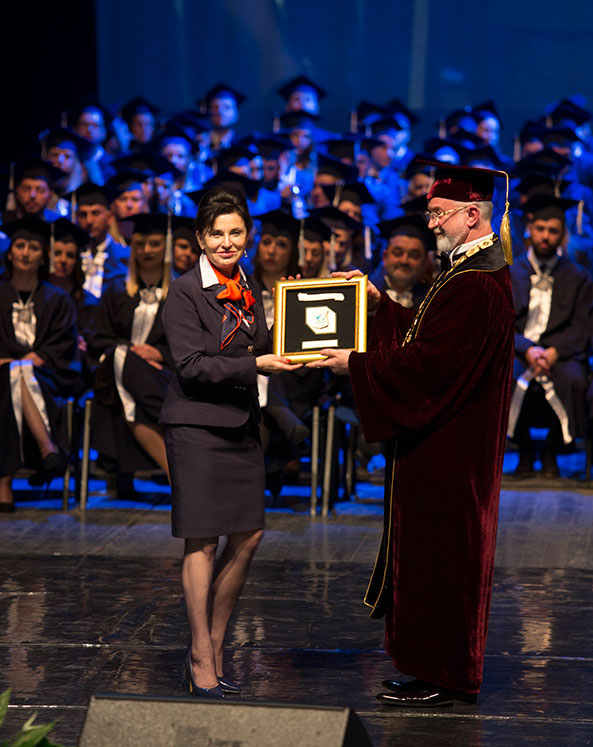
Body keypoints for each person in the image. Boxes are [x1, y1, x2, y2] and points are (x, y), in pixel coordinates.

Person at [308, 163, 515, 706]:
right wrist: (380, 304)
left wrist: (355, 363)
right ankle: (429, 667)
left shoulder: (477, 284)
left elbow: (429, 367)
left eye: (439, 214)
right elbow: (425, 340)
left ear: (473, 216)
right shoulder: (466, 274)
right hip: (443, 448)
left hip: (453, 453)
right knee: (429, 557)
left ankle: (447, 673)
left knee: (446, 560)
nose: (431, 225)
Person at [160, 186, 300, 698]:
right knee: (202, 540)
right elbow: (191, 365)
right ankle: (201, 652)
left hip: (240, 425)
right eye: (217, 234)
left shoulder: (249, 285)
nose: (227, 242)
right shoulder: (184, 291)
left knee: (249, 535)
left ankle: (216, 646)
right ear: (200, 238)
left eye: (236, 232)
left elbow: (259, 346)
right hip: (196, 427)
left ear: (248, 235)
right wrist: (256, 364)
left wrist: (299, 316)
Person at [507, 194, 593, 477]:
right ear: (530, 229)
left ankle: (552, 451)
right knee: (504, 376)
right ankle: (524, 450)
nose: (545, 236)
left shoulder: (578, 276)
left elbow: (583, 326)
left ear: (562, 234)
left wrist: (555, 351)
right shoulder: (510, 272)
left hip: (561, 352)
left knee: (574, 379)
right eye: (541, 229)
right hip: (519, 349)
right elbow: (503, 322)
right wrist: (527, 348)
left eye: (553, 230)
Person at [88, 213, 173, 495]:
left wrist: (159, 354)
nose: (147, 250)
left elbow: (189, 343)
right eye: (140, 244)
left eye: (154, 244)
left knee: (129, 405)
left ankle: (177, 478)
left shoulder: (180, 292)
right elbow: (98, 337)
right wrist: (131, 352)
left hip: (162, 374)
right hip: (113, 372)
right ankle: (179, 477)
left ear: (166, 247)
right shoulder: (116, 289)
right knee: (121, 356)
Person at [0, 217, 80, 511]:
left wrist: (40, 356)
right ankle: (48, 448)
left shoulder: (57, 298)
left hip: (46, 376)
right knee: (12, 373)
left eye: (33, 248)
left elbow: (64, 344)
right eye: (20, 246)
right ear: (10, 253)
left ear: (43, 256)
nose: (25, 253)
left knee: (19, 372)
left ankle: (3, 484)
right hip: (1, 375)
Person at [72, 183, 129, 298]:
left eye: (95, 213)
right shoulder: (72, 256)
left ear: (110, 217)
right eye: (83, 214)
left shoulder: (125, 256)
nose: (89, 221)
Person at [370, 214, 434, 309]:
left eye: (414, 255)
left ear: (426, 262)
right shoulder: (367, 294)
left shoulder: (433, 299)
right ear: (384, 257)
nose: (404, 261)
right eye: (398, 253)